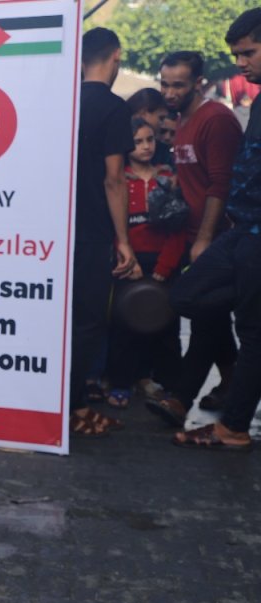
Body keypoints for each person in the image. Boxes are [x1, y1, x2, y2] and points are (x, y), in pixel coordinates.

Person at [171, 8, 261, 453]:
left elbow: (222, 178)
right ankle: (236, 374)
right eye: (237, 55)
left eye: (249, 52)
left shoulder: (217, 118)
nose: (242, 64)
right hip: (241, 232)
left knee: (253, 329)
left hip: (252, 236)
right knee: (189, 296)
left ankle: (234, 428)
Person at [147, 50, 244, 427]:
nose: (169, 93)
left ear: (198, 84)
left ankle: (180, 399)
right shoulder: (182, 120)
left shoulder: (216, 120)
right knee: (212, 316)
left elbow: (222, 183)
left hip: (216, 237)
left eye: (178, 86)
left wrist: (206, 238)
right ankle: (232, 381)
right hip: (186, 234)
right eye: (165, 84)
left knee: (204, 317)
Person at [71, 27, 138, 437]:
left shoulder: (63, 102)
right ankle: (75, 407)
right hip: (93, 232)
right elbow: (115, 179)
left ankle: (66, 405)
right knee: (88, 322)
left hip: (56, 230)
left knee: (60, 321)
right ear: (115, 57)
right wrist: (124, 241)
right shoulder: (114, 108)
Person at [104, 117, 184, 409]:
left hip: (163, 264)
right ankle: (122, 382)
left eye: (150, 140)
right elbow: (115, 228)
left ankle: (170, 386)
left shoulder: (168, 178)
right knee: (125, 326)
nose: (146, 146)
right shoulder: (118, 180)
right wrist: (128, 260)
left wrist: (166, 266)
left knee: (166, 328)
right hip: (130, 263)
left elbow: (177, 228)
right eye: (138, 141)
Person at [127, 87, 175, 166]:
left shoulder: (162, 151)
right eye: (161, 118)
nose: (161, 124)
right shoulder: (117, 147)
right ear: (143, 112)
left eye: (149, 140)